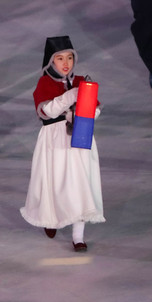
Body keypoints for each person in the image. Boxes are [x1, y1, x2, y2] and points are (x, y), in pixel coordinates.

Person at [20, 35, 104, 252]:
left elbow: (95, 109)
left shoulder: (80, 81)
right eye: (60, 59)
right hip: (54, 141)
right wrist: (72, 97)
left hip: (79, 141)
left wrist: (86, 108)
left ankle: (78, 236)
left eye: (69, 58)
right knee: (54, 182)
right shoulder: (45, 83)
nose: (66, 63)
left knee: (80, 185)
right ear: (51, 61)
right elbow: (47, 111)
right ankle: (51, 218)